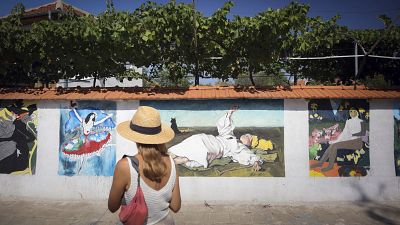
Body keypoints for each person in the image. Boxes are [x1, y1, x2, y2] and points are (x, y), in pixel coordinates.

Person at [108, 106, 181, 225]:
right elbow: (176, 206)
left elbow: (112, 207)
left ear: (134, 136)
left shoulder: (125, 166)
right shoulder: (172, 162)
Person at [169, 106, 263, 171]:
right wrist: (229, 113)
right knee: (196, 138)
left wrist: (256, 162)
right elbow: (225, 127)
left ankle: (182, 159)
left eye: (249, 137)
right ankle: (173, 154)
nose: (246, 135)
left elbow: (248, 155)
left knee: (203, 150)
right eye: (247, 135)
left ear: (249, 144)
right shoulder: (230, 135)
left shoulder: (240, 147)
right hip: (209, 139)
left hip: (216, 148)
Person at [311, 108, 366, 172]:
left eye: (354, 111)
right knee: (332, 145)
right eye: (350, 111)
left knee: (335, 146)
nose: (352, 113)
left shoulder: (361, 122)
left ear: (357, 112)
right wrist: (336, 141)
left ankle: (330, 166)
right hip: (349, 141)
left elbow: (362, 133)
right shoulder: (348, 121)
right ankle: (320, 163)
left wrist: (352, 134)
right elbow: (344, 134)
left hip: (357, 142)